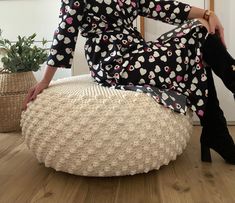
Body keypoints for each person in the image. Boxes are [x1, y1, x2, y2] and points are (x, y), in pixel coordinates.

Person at [22, 0, 235, 164]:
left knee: (200, 29)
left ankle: (215, 129)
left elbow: (161, 7)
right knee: (194, 51)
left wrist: (208, 13)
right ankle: (216, 130)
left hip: (138, 50)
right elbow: (64, 34)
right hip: (111, 61)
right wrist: (45, 80)